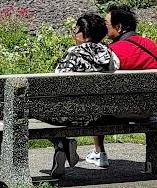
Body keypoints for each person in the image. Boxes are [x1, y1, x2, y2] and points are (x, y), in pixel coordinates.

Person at [86, 4, 157, 168]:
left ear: (119, 27)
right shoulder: (151, 46)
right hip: (148, 109)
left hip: (119, 111)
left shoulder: (111, 51)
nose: (103, 27)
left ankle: (99, 152)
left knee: (97, 99)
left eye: (106, 24)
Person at [50, 12, 120, 177]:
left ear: (84, 34)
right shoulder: (110, 55)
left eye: (76, 30)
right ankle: (62, 145)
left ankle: (61, 143)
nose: (75, 34)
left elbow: (57, 84)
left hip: (73, 115)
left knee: (36, 110)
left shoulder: (73, 55)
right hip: (103, 114)